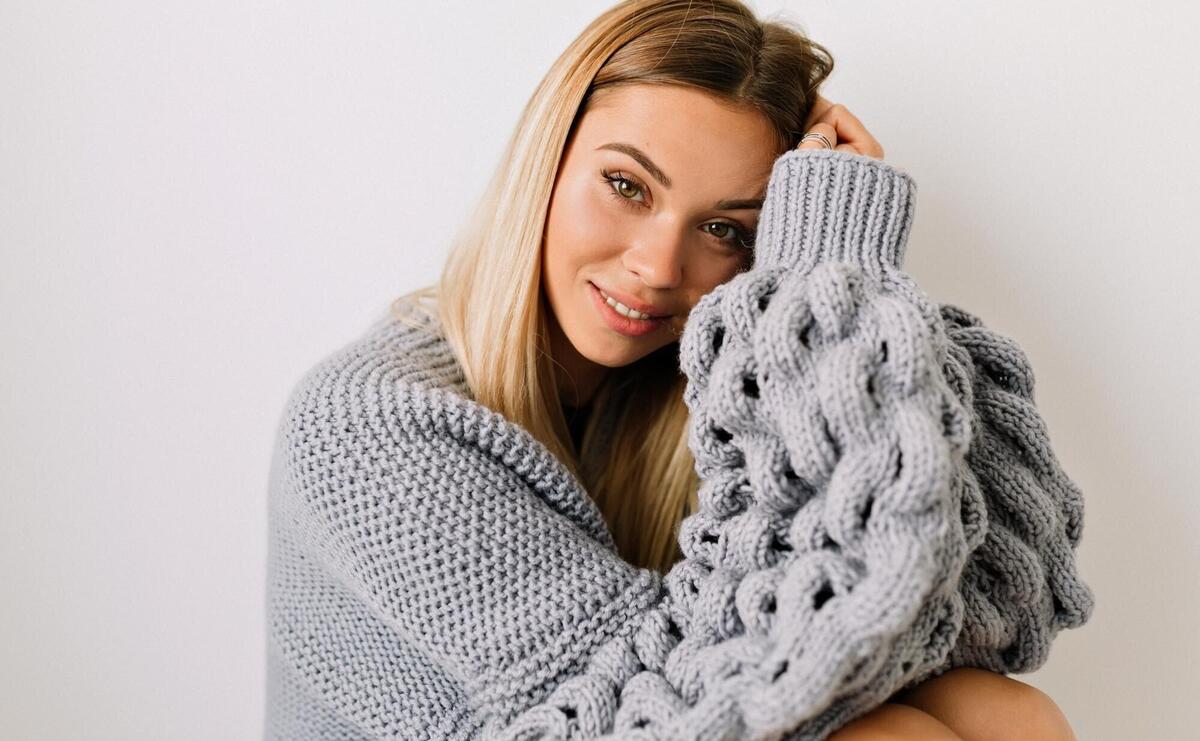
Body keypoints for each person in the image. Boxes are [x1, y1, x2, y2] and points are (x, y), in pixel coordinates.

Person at [264, 1, 1093, 739]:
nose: (660, 267)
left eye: (727, 230)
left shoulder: (704, 390)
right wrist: (832, 282)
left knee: (1004, 713)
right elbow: (663, 715)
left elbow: (987, 613)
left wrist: (833, 286)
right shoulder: (372, 426)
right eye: (626, 185)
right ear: (544, 163)